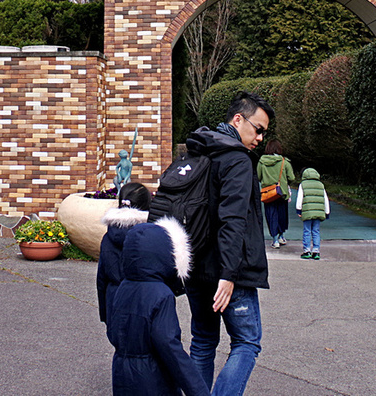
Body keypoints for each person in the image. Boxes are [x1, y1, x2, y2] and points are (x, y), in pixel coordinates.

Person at [182, 91, 272, 396]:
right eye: (258, 129)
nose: (260, 138)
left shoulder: (198, 152)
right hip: (229, 271)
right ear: (238, 119)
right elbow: (233, 220)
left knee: (204, 340)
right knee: (247, 342)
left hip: (195, 265)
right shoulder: (237, 160)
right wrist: (230, 274)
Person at [107, 217, 209, 396]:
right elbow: (169, 345)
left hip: (122, 373)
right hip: (153, 378)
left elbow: (114, 329)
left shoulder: (123, 287)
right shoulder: (161, 294)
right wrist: (198, 390)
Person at [97, 181, 152, 326]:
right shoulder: (153, 236)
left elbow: (101, 279)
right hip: (145, 300)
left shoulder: (108, 238)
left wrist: (105, 314)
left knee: (120, 346)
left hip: (115, 300)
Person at [256, 139, 294, 248]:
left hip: (268, 193)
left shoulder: (261, 161)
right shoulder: (284, 162)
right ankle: (282, 236)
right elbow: (291, 177)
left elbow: (258, 176)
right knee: (282, 215)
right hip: (281, 193)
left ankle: (274, 239)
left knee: (271, 215)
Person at [295, 168, 330, 260]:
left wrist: (299, 210)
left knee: (307, 230)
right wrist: (327, 211)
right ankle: (316, 251)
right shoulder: (321, 185)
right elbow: (325, 198)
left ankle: (307, 251)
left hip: (307, 211)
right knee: (316, 231)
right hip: (318, 212)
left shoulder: (303, 184)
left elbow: (300, 198)